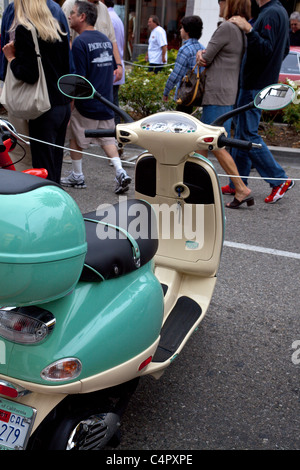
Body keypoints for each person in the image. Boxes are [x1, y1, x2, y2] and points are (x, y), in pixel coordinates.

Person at [222, 0, 294, 205]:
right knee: (242, 133)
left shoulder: (270, 13)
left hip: (254, 83)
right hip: (259, 82)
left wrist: (249, 29)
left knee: (247, 134)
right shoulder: (278, 10)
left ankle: (279, 180)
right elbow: (285, 48)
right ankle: (238, 184)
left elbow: (265, 48)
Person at [60, 0, 131, 194]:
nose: (69, 16)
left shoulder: (80, 43)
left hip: (87, 104)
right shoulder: (104, 40)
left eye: (73, 13)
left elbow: (79, 80)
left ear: (82, 17)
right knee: (108, 141)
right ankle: (120, 172)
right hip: (106, 102)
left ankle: (77, 175)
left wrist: (71, 106)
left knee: (76, 137)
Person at [2, 0, 71, 183]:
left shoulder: (24, 29)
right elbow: (66, 67)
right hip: (61, 104)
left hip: (43, 106)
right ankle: (59, 206)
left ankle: (47, 209)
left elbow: (29, 74)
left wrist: (11, 58)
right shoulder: (57, 27)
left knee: (43, 170)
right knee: (55, 165)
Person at [196, 0, 253, 208]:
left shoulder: (226, 28)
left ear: (229, 4)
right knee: (202, 143)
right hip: (227, 92)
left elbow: (206, 57)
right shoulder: (240, 29)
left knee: (215, 143)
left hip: (216, 92)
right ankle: (200, 187)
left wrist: (199, 54)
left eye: (221, 1)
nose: (218, 4)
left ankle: (241, 188)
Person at [62, 0, 123, 83]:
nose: (70, 17)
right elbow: (66, 38)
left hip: (103, 77)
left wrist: (119, 65)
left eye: (72, 14)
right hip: (83, 73)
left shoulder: (103, 8)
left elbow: (112, 39)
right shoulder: (70, 4)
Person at [163, 15, 205, 115]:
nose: (180, 30)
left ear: (187, 31)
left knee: (181, 121)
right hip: (197, 92)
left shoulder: (185, 49)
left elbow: (176, 74)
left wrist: (166, 92)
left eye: (182, 27)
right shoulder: (202, 48)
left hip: (186, 92)